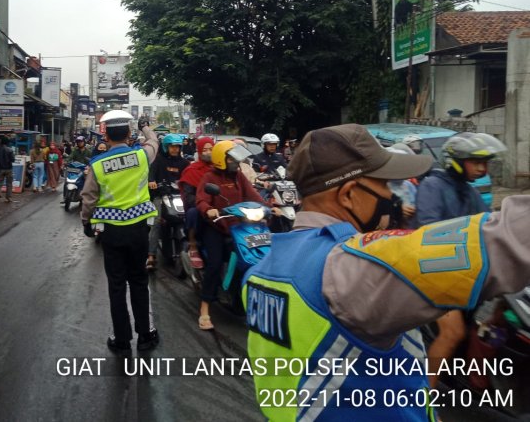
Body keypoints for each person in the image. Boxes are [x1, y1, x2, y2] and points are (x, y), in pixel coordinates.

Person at [242, 124, 530, 422]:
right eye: (385, 186)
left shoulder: (259, 272)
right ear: (349, 195)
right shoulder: (351, 266)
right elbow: (503, 240)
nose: (393, 197)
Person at [414, 132, 507, 389]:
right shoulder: (433, 186)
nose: (482, 168)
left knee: (501, 314)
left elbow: (490, 223)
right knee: (453, 331)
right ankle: (421, 400)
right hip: (434, 272)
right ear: (454, 161)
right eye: (476, 162)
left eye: (485, 162)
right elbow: (427, 230)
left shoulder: (468, 191)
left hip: (464, 272)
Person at [80, 112, 160, 355]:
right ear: (128, 134)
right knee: (138, 280)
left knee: (116, 285)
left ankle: (122, 339)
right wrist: (145, 128)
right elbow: (155, 142)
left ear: (106, 135)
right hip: (138, 230)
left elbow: (89, 198)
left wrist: (86, 223)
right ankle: (145, 335)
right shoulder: (142, 156)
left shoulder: (98, 164)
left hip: (111, 232)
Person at [195, 140, 278, 331]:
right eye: (231, 158)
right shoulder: (209, 177)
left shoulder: (238, 176)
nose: (235, 162)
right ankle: (205, 309)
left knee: (257, 255)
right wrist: (209, 209)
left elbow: (254, 196)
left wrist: (271, 208)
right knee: (215, 263)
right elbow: (201, 200)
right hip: (216, 226)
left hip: (240, 226)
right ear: (221, 159)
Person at [146, 133, 189, 271]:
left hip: (179, 198)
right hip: (161, 196)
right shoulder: (159, 160)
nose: (175, 149)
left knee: (188, 219)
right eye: (172, 147)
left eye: (177, 147)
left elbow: (189, 177)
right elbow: (151, 173)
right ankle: (151, 255)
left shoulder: (184, 163)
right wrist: (152, 181)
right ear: (166, 147)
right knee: (156, 222)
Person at [178, 136, 214, 269]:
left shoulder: (220, 169)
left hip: (219, 208)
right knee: (193, 212)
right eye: (205, 150)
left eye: (211, 149)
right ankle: (193, 245)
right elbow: (188, 196)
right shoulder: (192, 170)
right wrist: (203, 204)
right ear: (199, 151)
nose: (208, 152)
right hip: (198, 206)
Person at [0, 136, 14, 204]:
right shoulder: (10, 150)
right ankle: (8, 198)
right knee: (9, 184)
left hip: (0, 169)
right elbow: (13, 160)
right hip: (9, 169)